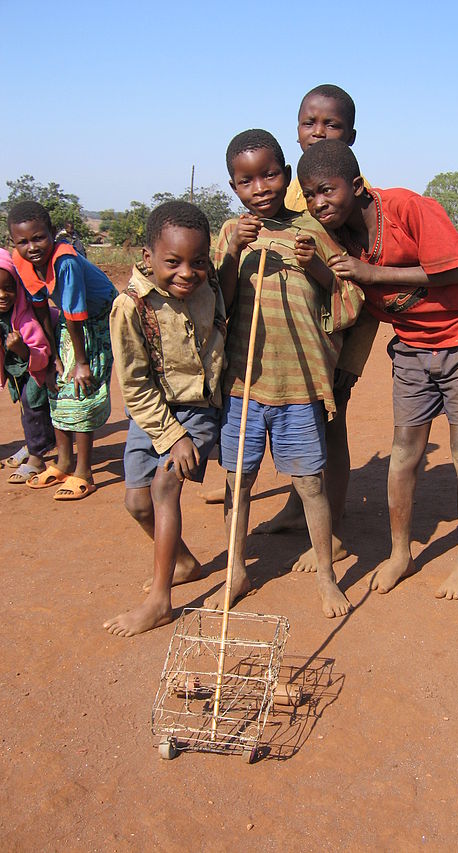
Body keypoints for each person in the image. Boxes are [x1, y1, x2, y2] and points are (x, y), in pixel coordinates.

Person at [297, 140, 458, 600]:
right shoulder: (336, 235)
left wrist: (373, 274)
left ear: (357, 186)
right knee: (403, 452)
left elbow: (454, 272)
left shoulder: (409, 208)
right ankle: (400, 553)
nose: (319, 203)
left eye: (327, 190)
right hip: (412, 349)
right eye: (310, 195)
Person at [207, 129, 363, 619]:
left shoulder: (312, 230)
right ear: (234, 187)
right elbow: (217, 306)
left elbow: (348, 301)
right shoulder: (231, 234)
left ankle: (326, 575)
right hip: (244, 386)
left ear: (286, 174)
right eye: (246, 180)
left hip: (298, 385)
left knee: (310, 484)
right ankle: (237, 570)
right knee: (240, 482)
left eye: (270, 174)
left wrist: (316, 267)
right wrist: (233, 253)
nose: (260, 187)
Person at [251, 84, 379, 574]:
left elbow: (365, 289)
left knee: (332, 426)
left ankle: (338, 529)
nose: (319, 131)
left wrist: (351, 360)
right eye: (310, 122)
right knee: (302, 429)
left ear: (352, 134)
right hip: (291, 337)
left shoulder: (345, 192)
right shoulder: (284, 187)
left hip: (335, 337)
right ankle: (295, 510)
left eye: (332, 124)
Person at [104, 201, 226, 637]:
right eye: (172, 262)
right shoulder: (130, 307)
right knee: (136, 504)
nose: (186, 273)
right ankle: (186, 563)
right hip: (152, 413)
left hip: (198, 408)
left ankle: (159, 602)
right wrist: (171, 435)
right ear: (147, 257)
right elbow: (135, 388)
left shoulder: (211, 286)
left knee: (164, 485)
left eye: (197, 261)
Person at [9, 201, 117, 500]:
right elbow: (42, 307)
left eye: (39, 238)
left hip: (98, 319)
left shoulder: (65, 262)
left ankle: (84, 471)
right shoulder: (24, 262)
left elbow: (75, 313)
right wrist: (55, 356)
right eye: (23, 242)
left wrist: (81, 362)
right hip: (69, 322)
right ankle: (64, 461)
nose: (32, 247)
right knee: (57, 385)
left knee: (83, 387)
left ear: (53, 234)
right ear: (13, 243)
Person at [0, 248, 55, 483]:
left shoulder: (25, 317)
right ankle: (33, 443)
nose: (2, 295)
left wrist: (22, 349)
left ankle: (37, 457)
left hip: (36, 366)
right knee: (25, 407)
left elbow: (42, 352)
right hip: (16, 369)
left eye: (9, 288)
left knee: (34, 405)